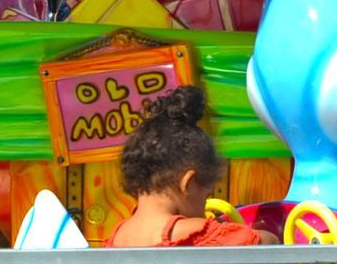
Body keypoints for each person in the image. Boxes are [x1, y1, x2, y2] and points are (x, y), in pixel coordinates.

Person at [110, 86, 276, 248]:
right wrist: (268, 236)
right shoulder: (197, 233)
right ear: (187, 184)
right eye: (205, 197)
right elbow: (264, 242)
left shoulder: (117, 236)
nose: (204, 209)